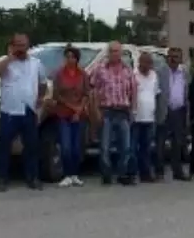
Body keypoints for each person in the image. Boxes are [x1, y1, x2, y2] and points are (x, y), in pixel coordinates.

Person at [0, 32, 47, 192]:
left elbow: (43, 82)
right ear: (12, 45)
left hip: (29, 110)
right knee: (3, 146)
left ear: (28, 46)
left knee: (32, 146)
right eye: (18, 45)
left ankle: (32, 177)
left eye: (24, 45)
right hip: (10, 111)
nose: (21, 48)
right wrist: (8, 59)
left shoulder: (36, 63)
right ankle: (0, 179)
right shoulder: (4, 61)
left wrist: (40, 98)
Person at [90, 41, 137, 185]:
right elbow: (94, 91)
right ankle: (106, 174)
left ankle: (122, 173)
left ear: (121, 53)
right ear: (107, 53)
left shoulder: (127, 70)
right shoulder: (100, 69)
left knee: (126, 146)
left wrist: (133, 110)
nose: (114, 54)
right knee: (105, 146)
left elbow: (133, 91)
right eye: (111, 51)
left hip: (123, 111)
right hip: (107, 111)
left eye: (117, 51)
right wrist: (96, 111)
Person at [52, 46, 89, 187]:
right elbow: (57, 95)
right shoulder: (59, 74)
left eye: (72, 57)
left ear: (77, 59)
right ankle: (67, 174)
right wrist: (71, 107)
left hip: (79, 115)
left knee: (76, 146)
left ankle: (75, 174)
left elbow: (86, 94)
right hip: (64, 113)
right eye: (67, 57)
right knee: (66, 146)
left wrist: (79, 110)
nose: (70, 59)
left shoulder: (82, 74)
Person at [156, 46, 190, 181]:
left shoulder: (185, 73)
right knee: (160, 143)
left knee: (177, 143)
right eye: (170, 56)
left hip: (179, 111)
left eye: (176, 57)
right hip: (165, 110)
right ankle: (159, 172)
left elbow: (187, 94)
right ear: (167, 58)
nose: (173, 59)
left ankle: (178, 172)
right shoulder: (160, 72)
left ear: (181, 59)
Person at [131, 51, 159, 183]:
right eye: (145, 62)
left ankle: (145, 174)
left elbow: (156, 94)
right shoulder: (133, 75)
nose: (147, 65)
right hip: (136, 118)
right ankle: (132, 173)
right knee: (132, 147)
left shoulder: (154, 75)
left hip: (149, 118)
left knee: (146, 148)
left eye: (149, 62)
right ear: (139, 62)